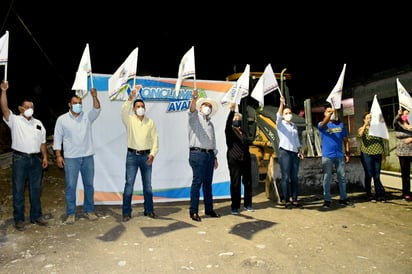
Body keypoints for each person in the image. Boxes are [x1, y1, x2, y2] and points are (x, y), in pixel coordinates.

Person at [1, 80, 49, 231]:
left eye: (31, 107)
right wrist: (3, 91)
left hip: (35, 160)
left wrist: (45, 157)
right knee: (18, 189)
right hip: (20, 159)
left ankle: (36, 216)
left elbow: (42, 142)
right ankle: (19, 219)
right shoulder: (15, 120)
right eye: (27, 107)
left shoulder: (39, 123)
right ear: (21, 109)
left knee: (36, 189)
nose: (30, 109)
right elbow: (4, 108)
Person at [53, 89, 101, 224]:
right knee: (70, 186)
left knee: (89, 185)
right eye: (75, 103)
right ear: (69, 104)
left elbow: (97, 109)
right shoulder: (62, 119)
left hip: (87, 157)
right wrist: (58, 155)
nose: (78, 105)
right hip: (71, 158)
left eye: (80, 103)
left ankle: (89, 210)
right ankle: (71, 213)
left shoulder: (86, 117)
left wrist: (94, 96)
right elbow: (57, 138)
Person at [121, 89, 159, 221]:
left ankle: (149, 210)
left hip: (146, 157)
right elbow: (123, 110)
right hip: (131, 156)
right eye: (138, 107)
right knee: (129, 185)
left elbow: (155, 140)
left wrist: (153, 154)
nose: (141, 108)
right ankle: (126, 212)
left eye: (142, 106)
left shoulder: (150, 122)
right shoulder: (129, 120)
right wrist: (130, 98)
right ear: (133, 109)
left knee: (147, 186)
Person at [187, 89, 220, 221]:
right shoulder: (195, 118)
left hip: (209, 155)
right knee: (197, 182)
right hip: (197, 154)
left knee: (208, 183)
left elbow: (213, 141)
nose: (207, 108)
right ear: (200, 107)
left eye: (210, 107)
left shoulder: (210, 124)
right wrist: (194, 98)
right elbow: (191, 110)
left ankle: (209, 209)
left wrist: (215, 156)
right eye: (205, 105)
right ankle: (193, 211)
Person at [317, 106, 352, 208]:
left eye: (333, 112)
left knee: (342, 177)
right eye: (328, 111)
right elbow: (323, 123)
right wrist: (330, 113)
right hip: (327, 156)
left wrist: (347, 153)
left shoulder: (341, 125)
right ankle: (327, 199)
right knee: (327, 177)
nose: (331, 113)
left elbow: (345, 140)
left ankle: (343, 198)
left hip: (339, 155)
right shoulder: (322, 125)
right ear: (324, 113)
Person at [276, 95, 304, 209]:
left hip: (294, 153)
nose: (288, 114)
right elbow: (277, 116)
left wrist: (300, 150)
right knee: (286, 177)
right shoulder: (281, 124)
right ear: (283, 115)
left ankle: (295, 198)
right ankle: (286, 200)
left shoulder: (294, 126)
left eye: (290, 112)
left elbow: (297, 140)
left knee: (294, 177)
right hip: (285, 152)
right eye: (286, 113)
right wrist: (282, 104)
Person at [225, 102, 253, 215]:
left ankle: (248, 204)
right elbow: (227, 124)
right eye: (235, 118)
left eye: (238, 118)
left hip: (245, 159)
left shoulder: (244, 132)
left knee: (248, 182)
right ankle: (235, 207)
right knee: (235, 183)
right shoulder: (230, 131)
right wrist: (231, 112)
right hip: (234, 159)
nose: (237, 119)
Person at [358, 111, 387, 202]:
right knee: (369, 174)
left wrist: (384, 154)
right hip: (367, 153)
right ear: (364, 119)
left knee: (377, 175)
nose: (369, 119)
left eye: (370, 118)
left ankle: (379, 194)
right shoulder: (362, 128)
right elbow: (360, 135)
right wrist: (365, 125)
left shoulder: (377, 129)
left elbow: (381, 142)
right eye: (367, 118)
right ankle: (369, 194)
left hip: (377, 153)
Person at [393, 107, 412, 202]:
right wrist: (399, 115)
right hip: (402, 152)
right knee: (405, 174)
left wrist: (411, 139)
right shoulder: (398, 124)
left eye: (408, 113)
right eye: (405, 113)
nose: (406, 115)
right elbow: (395, 121)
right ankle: (406, 193)